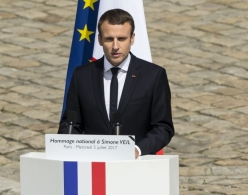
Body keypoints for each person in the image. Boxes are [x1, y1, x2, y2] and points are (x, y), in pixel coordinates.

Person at [59, 9, 174, 158]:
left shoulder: (153, 76)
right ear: (100, 40)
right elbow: (70, 124)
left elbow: (163, 127)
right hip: (94, 166)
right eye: (109, 39)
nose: (115, 46)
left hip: (137, 166)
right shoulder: (82, 76)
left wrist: (138, 150)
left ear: (132, 39)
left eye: (121, 38)